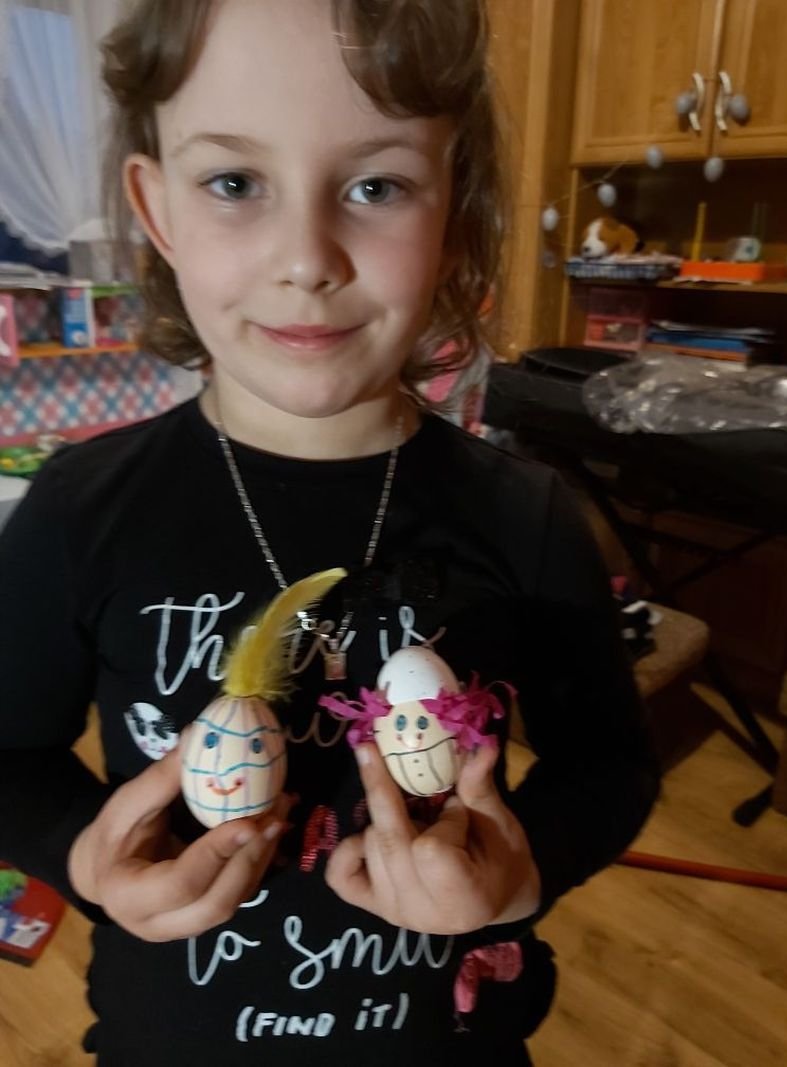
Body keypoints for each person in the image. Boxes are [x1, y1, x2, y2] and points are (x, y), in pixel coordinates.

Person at [0, 1, 660, 1064]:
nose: (306, 259)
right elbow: (9, 753)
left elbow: (608, 764)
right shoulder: (81, 510)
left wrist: (522, 869)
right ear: (157, 206)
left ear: (455, 210)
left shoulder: (526, 515)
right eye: (233, 182)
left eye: (375, 186)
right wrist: (83, 856)